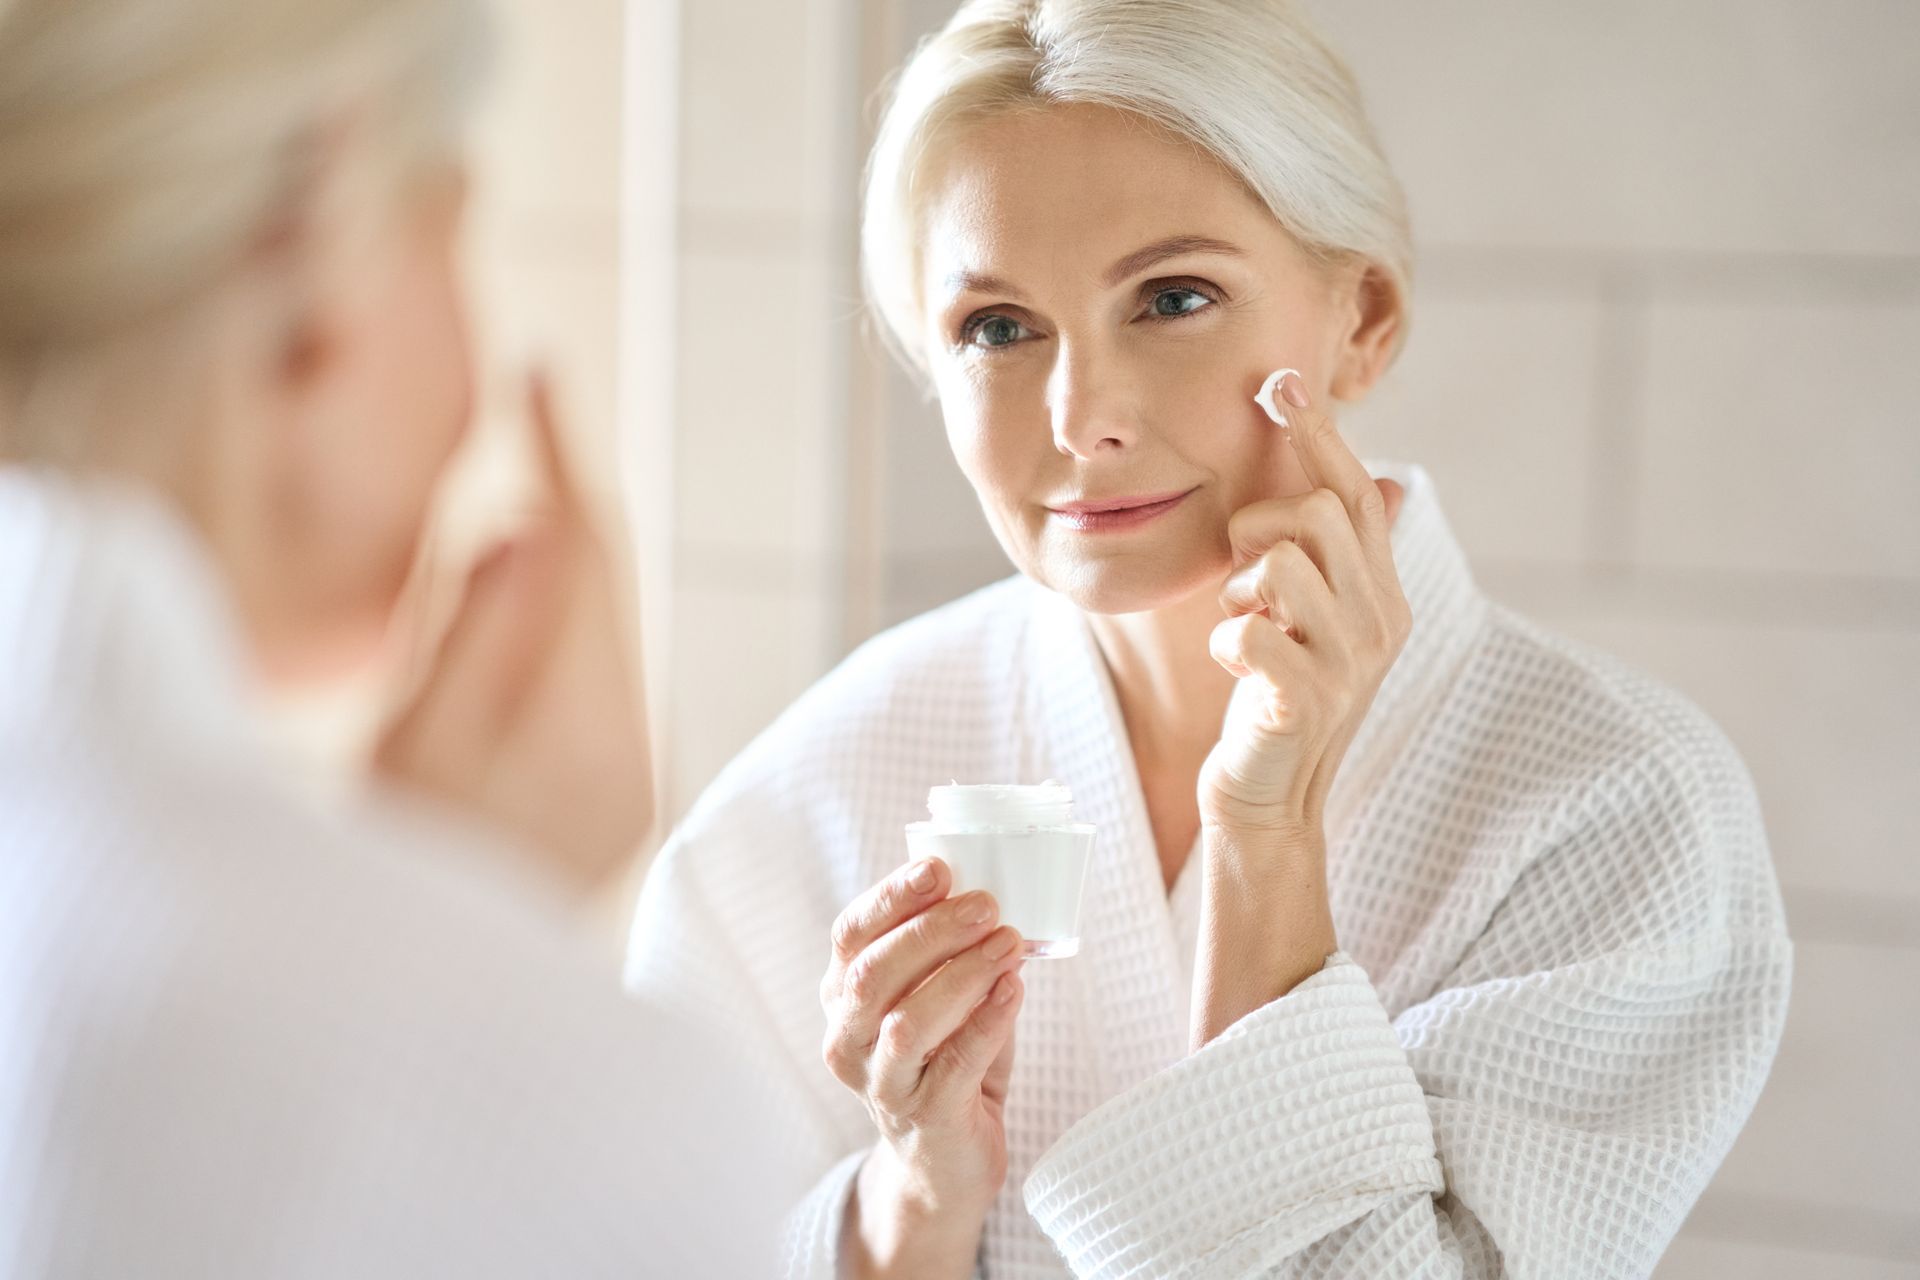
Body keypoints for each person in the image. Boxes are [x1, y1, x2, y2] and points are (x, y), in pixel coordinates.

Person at [624, 2, 1794, 1277]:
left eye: (1172, 297)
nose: (1081, 418)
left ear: (1364, 317)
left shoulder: (1613, 809)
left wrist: (1267, 842)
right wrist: (913, 1191)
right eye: (997, 328)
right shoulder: (823, 784)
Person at [0, 0, 787, 1273]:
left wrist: (433, 880)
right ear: (309, 245)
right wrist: (484, 963)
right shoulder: (597, 1115)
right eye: (452, 231)